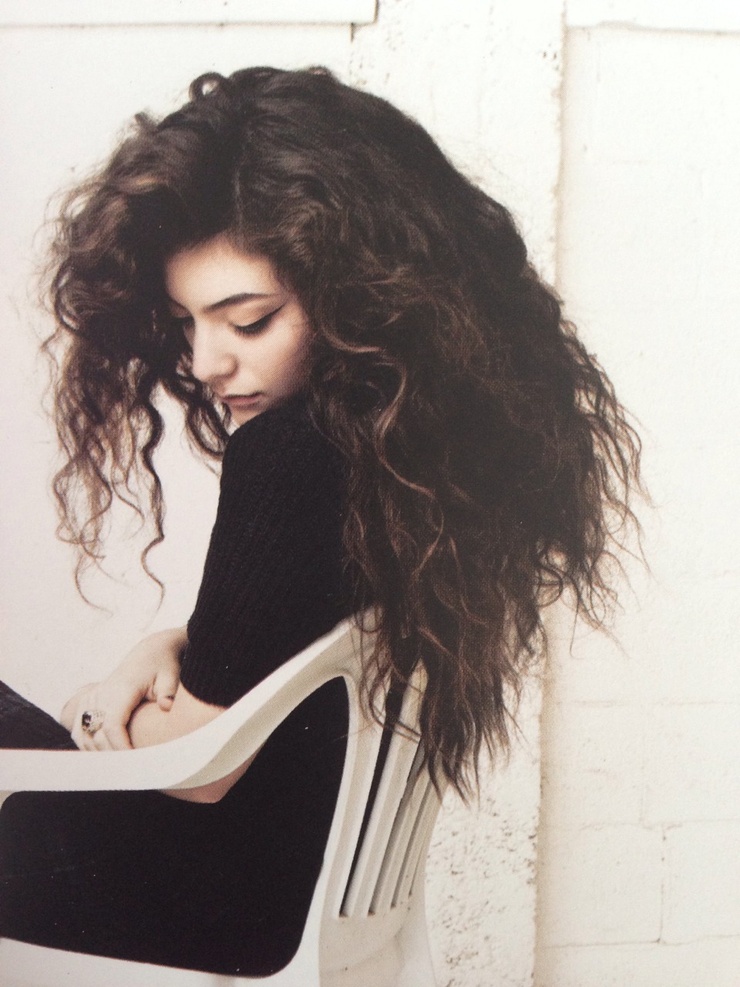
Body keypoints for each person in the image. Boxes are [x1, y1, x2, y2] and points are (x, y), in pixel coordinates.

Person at [0, 66, 641, 975]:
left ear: (358, 294)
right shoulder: (408, 456)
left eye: (248, 320)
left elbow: (203, 767)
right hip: (290, 890)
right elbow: (280, 647)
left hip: (206, 887)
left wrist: (100, 713)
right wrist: (162, 649)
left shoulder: (293, 452)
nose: (207, 362)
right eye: (188, 322)